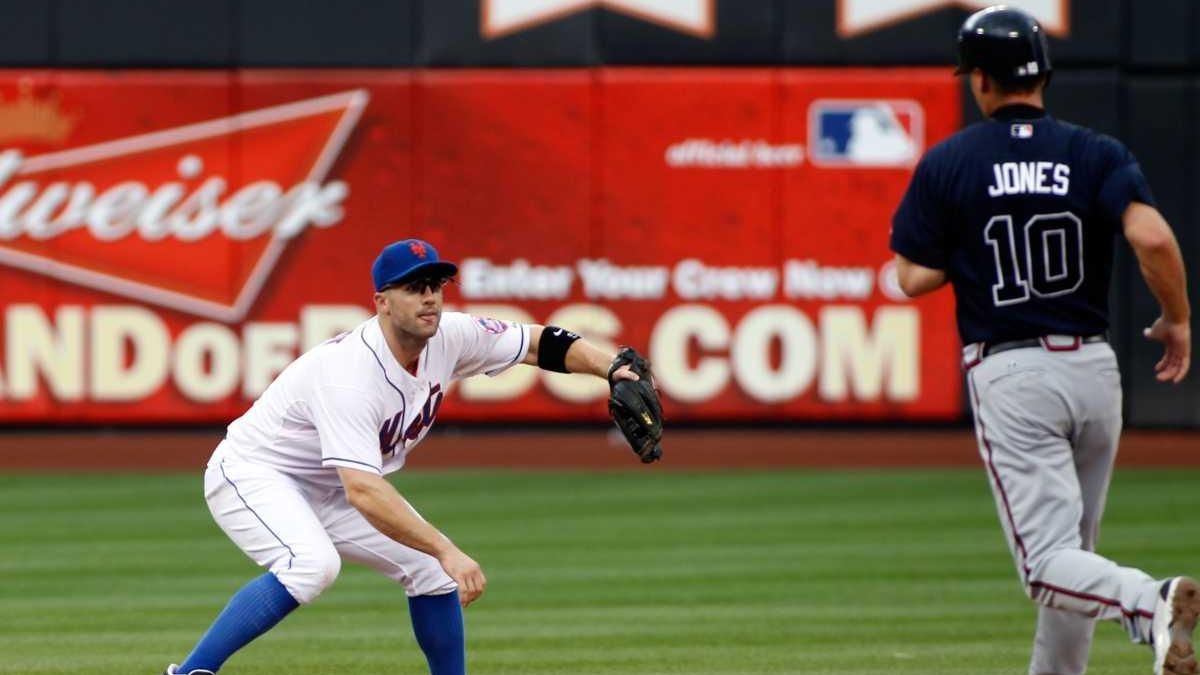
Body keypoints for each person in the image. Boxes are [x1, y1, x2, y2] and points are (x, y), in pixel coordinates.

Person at [163, 238, 662, 675]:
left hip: (329, 482)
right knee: (312, 565)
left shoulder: (450, 335)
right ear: (381, 302)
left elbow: (538, 344)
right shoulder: (350, 375)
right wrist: (446, 546)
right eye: (413, 286)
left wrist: (612, 368)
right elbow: (363, 489)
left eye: (436, 284)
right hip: (255, 474)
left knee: (431, 574)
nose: (429, 296)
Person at [890, 6, 1194, 675]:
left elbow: (911, 277)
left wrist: (962, 253)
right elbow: (1153, 238)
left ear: (980, 83)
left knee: (1047, 566)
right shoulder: (1096, 153)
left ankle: (1151, 601)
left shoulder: (951, 162)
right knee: (1073, 556)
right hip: (1093, 368)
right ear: (1044, 74)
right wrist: (1177, 317)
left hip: (1014, 374)